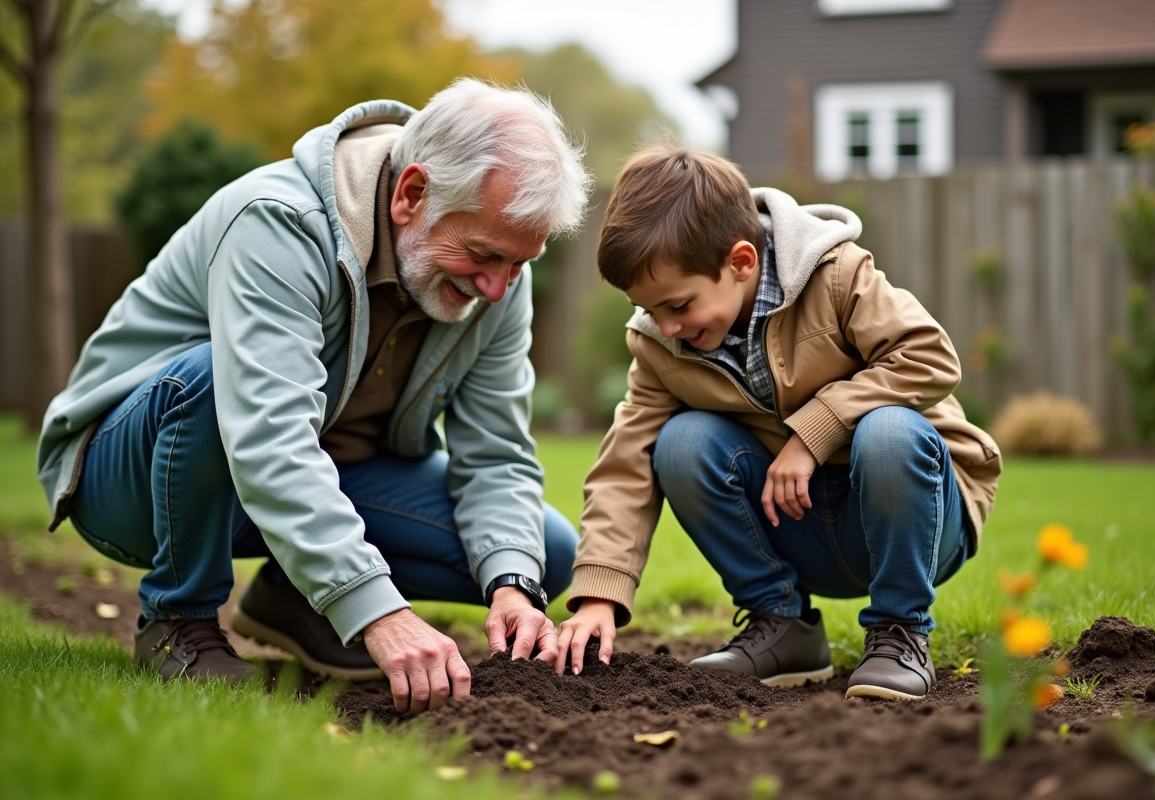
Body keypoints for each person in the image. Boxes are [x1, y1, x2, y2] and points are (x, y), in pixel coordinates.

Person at [35, 78, 592, 715]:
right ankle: (177, 619)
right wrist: (378, 611)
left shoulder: (497, 283)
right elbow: (267, 437)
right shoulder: (278, 223)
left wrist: (513, 588)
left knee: (542, 553)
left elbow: (495, 453)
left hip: (320, 473)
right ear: (412, 194)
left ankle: (292, 597)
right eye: (483, 255)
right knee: (217, 376)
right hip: (134, 477)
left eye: (521, 263)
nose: (498, 288)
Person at [555, 145, 1000, 700]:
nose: (666, 328)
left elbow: (929, 356)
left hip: (918, 520)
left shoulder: (837, 275)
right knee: (679, 444)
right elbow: (626, 464)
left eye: (679, 306)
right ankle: (783, 625)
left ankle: (900, 630)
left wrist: (812, 435)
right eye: (651, 311)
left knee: (888, 430)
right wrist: (601, 593)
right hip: (799, 524)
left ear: (741, 262)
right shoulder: (658, 346)